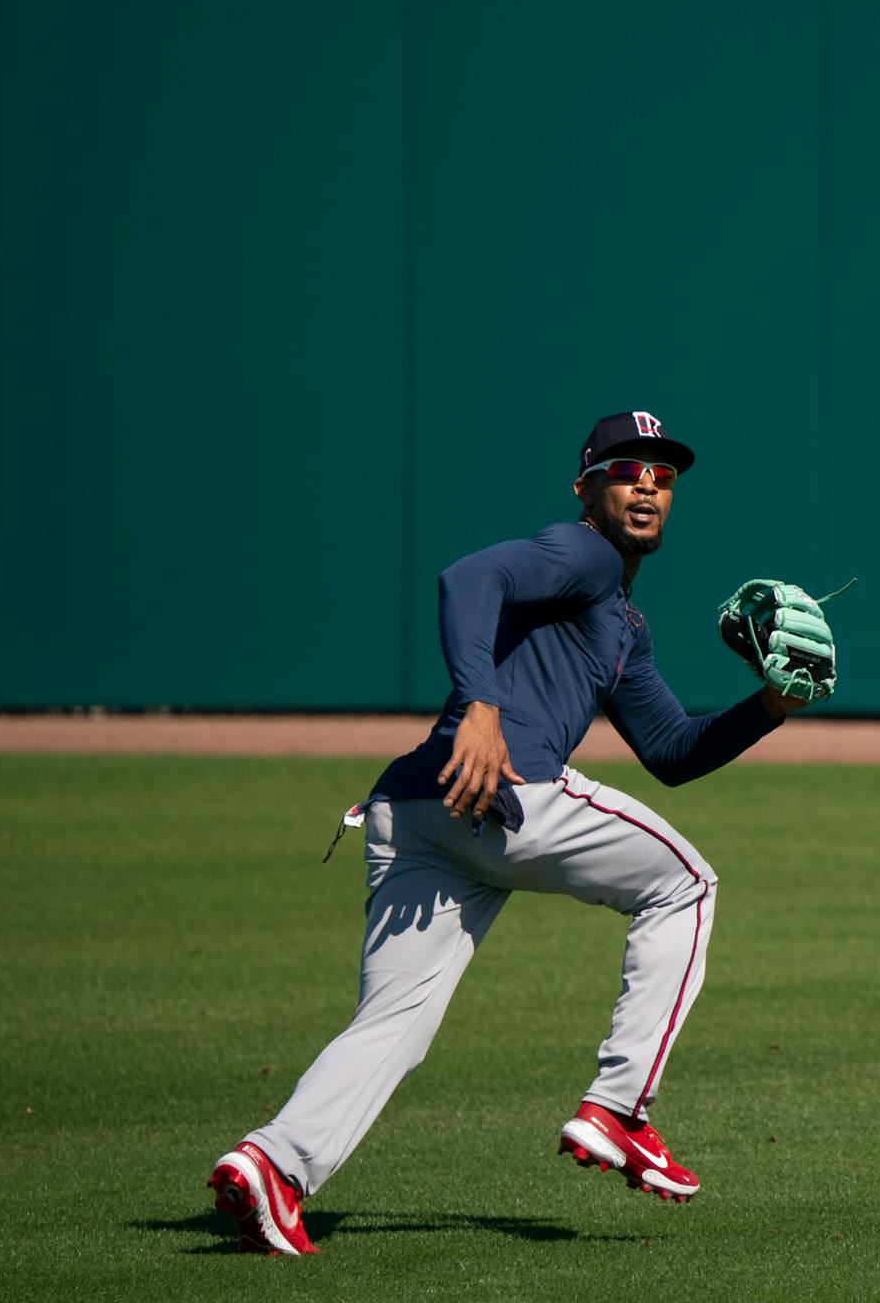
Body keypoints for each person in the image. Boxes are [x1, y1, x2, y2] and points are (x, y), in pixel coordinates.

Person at [206, 410, 833, 1256]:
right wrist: (483, 705)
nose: (647, 482)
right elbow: (467, 579)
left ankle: (269, 1166)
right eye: (625, 468)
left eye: (663, 473)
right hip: (502, 793)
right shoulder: (584, 553)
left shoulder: (622, 626)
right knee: (686, 884)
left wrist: (771, 706)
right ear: (587, 488)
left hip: (419, 811)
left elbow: (673, 752)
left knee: (395, 1022)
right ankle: (618, 1109)